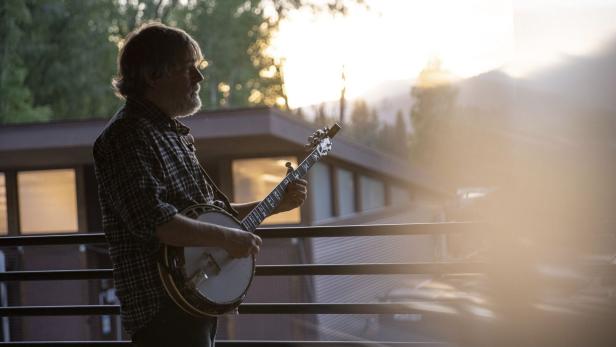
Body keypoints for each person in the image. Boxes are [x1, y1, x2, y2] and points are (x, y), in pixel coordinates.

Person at [93, 22, 307, 346]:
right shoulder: (126, 136)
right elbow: (156, 221)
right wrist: (226, 238)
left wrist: (274, 204)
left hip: (193, 300)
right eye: (188, 68)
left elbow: (211, 215)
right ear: (153, 76)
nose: (199, 78)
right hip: (161, 313)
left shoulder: (172, 135)